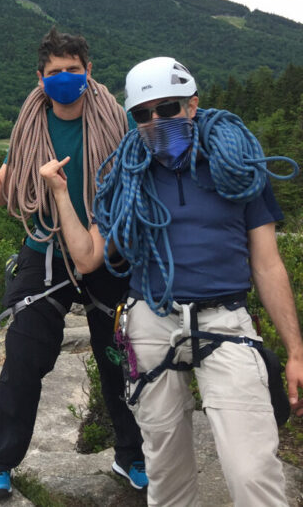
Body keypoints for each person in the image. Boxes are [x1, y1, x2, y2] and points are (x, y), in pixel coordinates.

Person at [40, 56, 303, 505]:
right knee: (164, 467)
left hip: (224, 320)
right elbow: (87, 258)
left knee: (252, 470)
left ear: (192, 105)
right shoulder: (127, 177)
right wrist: (61, 194)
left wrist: (296, 351)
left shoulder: (237, 167)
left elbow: (267, 264)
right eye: (143, 115)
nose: (156, 121)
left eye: (168, 109)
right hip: (151, 320)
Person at [0, 27, 146, 499]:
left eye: (74, 70)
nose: (66, 79)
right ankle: (0, 464)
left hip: (107, 246)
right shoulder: (33, 131)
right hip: (46, 247)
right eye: (56, 73)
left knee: (119, 357)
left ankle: (131, 456)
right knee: (25, 354)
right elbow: (3, 193)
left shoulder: (119, 126)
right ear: (40, 77)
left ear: (89, 72)